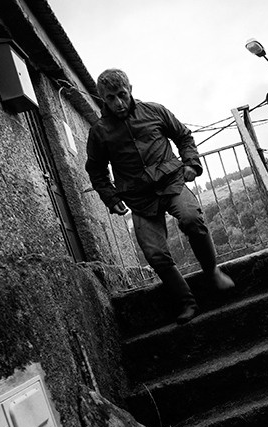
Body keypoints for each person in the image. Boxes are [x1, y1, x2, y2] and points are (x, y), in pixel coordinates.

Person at [86, 68, 234, 324]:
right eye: (111, 98)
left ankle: (213, 273)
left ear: (130, 89)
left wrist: (190, 164)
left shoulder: (154, 111)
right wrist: (111, 197)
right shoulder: (99, 131)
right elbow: (96, 170)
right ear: (103, 99)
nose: (118, 103)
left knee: (192, 220)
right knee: (154, 253)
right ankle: (187, 302)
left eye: (122, 94)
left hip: (172, 183)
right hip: (140, 198)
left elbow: (184, 136)